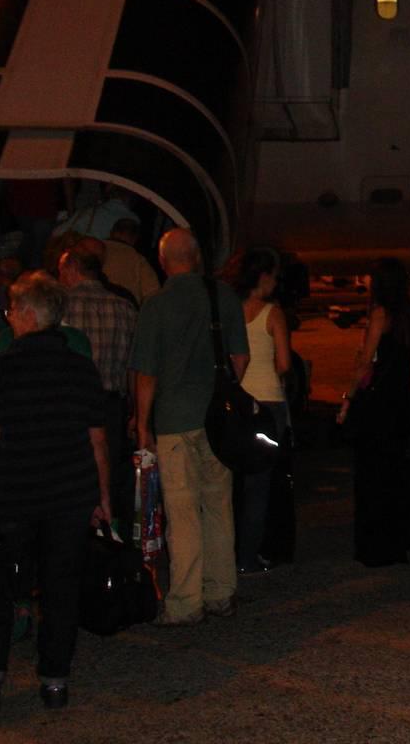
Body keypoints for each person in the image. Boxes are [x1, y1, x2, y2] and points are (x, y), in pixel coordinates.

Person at [0, 272, 110, 712]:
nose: (9, 318)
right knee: (60, 590)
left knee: (1, 588)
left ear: (28, 315)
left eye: (11, 310)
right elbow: (97, 438)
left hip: (14, 495)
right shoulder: (80, 367)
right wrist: (103, 496)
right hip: (68, 494)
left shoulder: (5, 366)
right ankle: (55, 681)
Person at [131, 229, 245, 624]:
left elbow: (145, 374)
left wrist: (142, 423)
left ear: (163, 262)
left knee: (182, 512)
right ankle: (220, 591)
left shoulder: (156, 305)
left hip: (175, 421)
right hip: (218, 420)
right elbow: (240, 358)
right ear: (196, 258)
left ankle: (185, 601)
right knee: (218, 505)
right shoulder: (223, 296)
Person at [336, 258, 410, 567]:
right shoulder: (408, 316)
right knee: (393, 474)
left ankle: (374, 547)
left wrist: (348, 399)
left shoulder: (380, 315)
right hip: (403, 402)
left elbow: (365, 365)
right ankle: (396, 542)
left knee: (371, 478)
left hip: (378, 406)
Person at [58, 242, 138, 530]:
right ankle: (109, 536)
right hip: (111, 405)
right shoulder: (124, 307)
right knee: (110, 473)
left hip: (71, 404)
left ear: (71, 268)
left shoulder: (61, 305)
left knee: (73, 474)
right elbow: (134, 366)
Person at [228, 248, 292, 575]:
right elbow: (284, 363)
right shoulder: (272, 313)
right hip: (267, 404)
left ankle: (226, 552)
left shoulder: (230, 310)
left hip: (237, 405)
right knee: (259, 485)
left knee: (231, 484)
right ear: (263, 276)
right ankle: (248, 557)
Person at [103, 219, 161, 307]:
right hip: (125, 313)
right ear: (134, 238)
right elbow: (152, 294)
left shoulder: (95, 250)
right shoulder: (138, 260)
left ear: (111, 232)